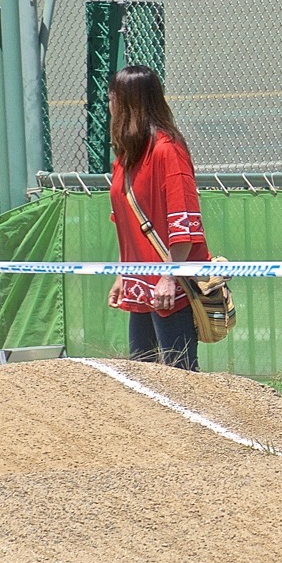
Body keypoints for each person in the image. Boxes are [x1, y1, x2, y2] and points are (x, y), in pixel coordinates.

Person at [107, 65, 210, 372]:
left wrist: (170, 275)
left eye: (112, 97)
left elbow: (185, 221)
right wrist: (122, 274)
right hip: (139, 287)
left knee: (180, 378)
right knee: (142, 380)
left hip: (170, 290)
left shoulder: (168, 150)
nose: (109, 104)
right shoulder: (126, 157)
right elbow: (126, 224)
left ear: (126, 102)